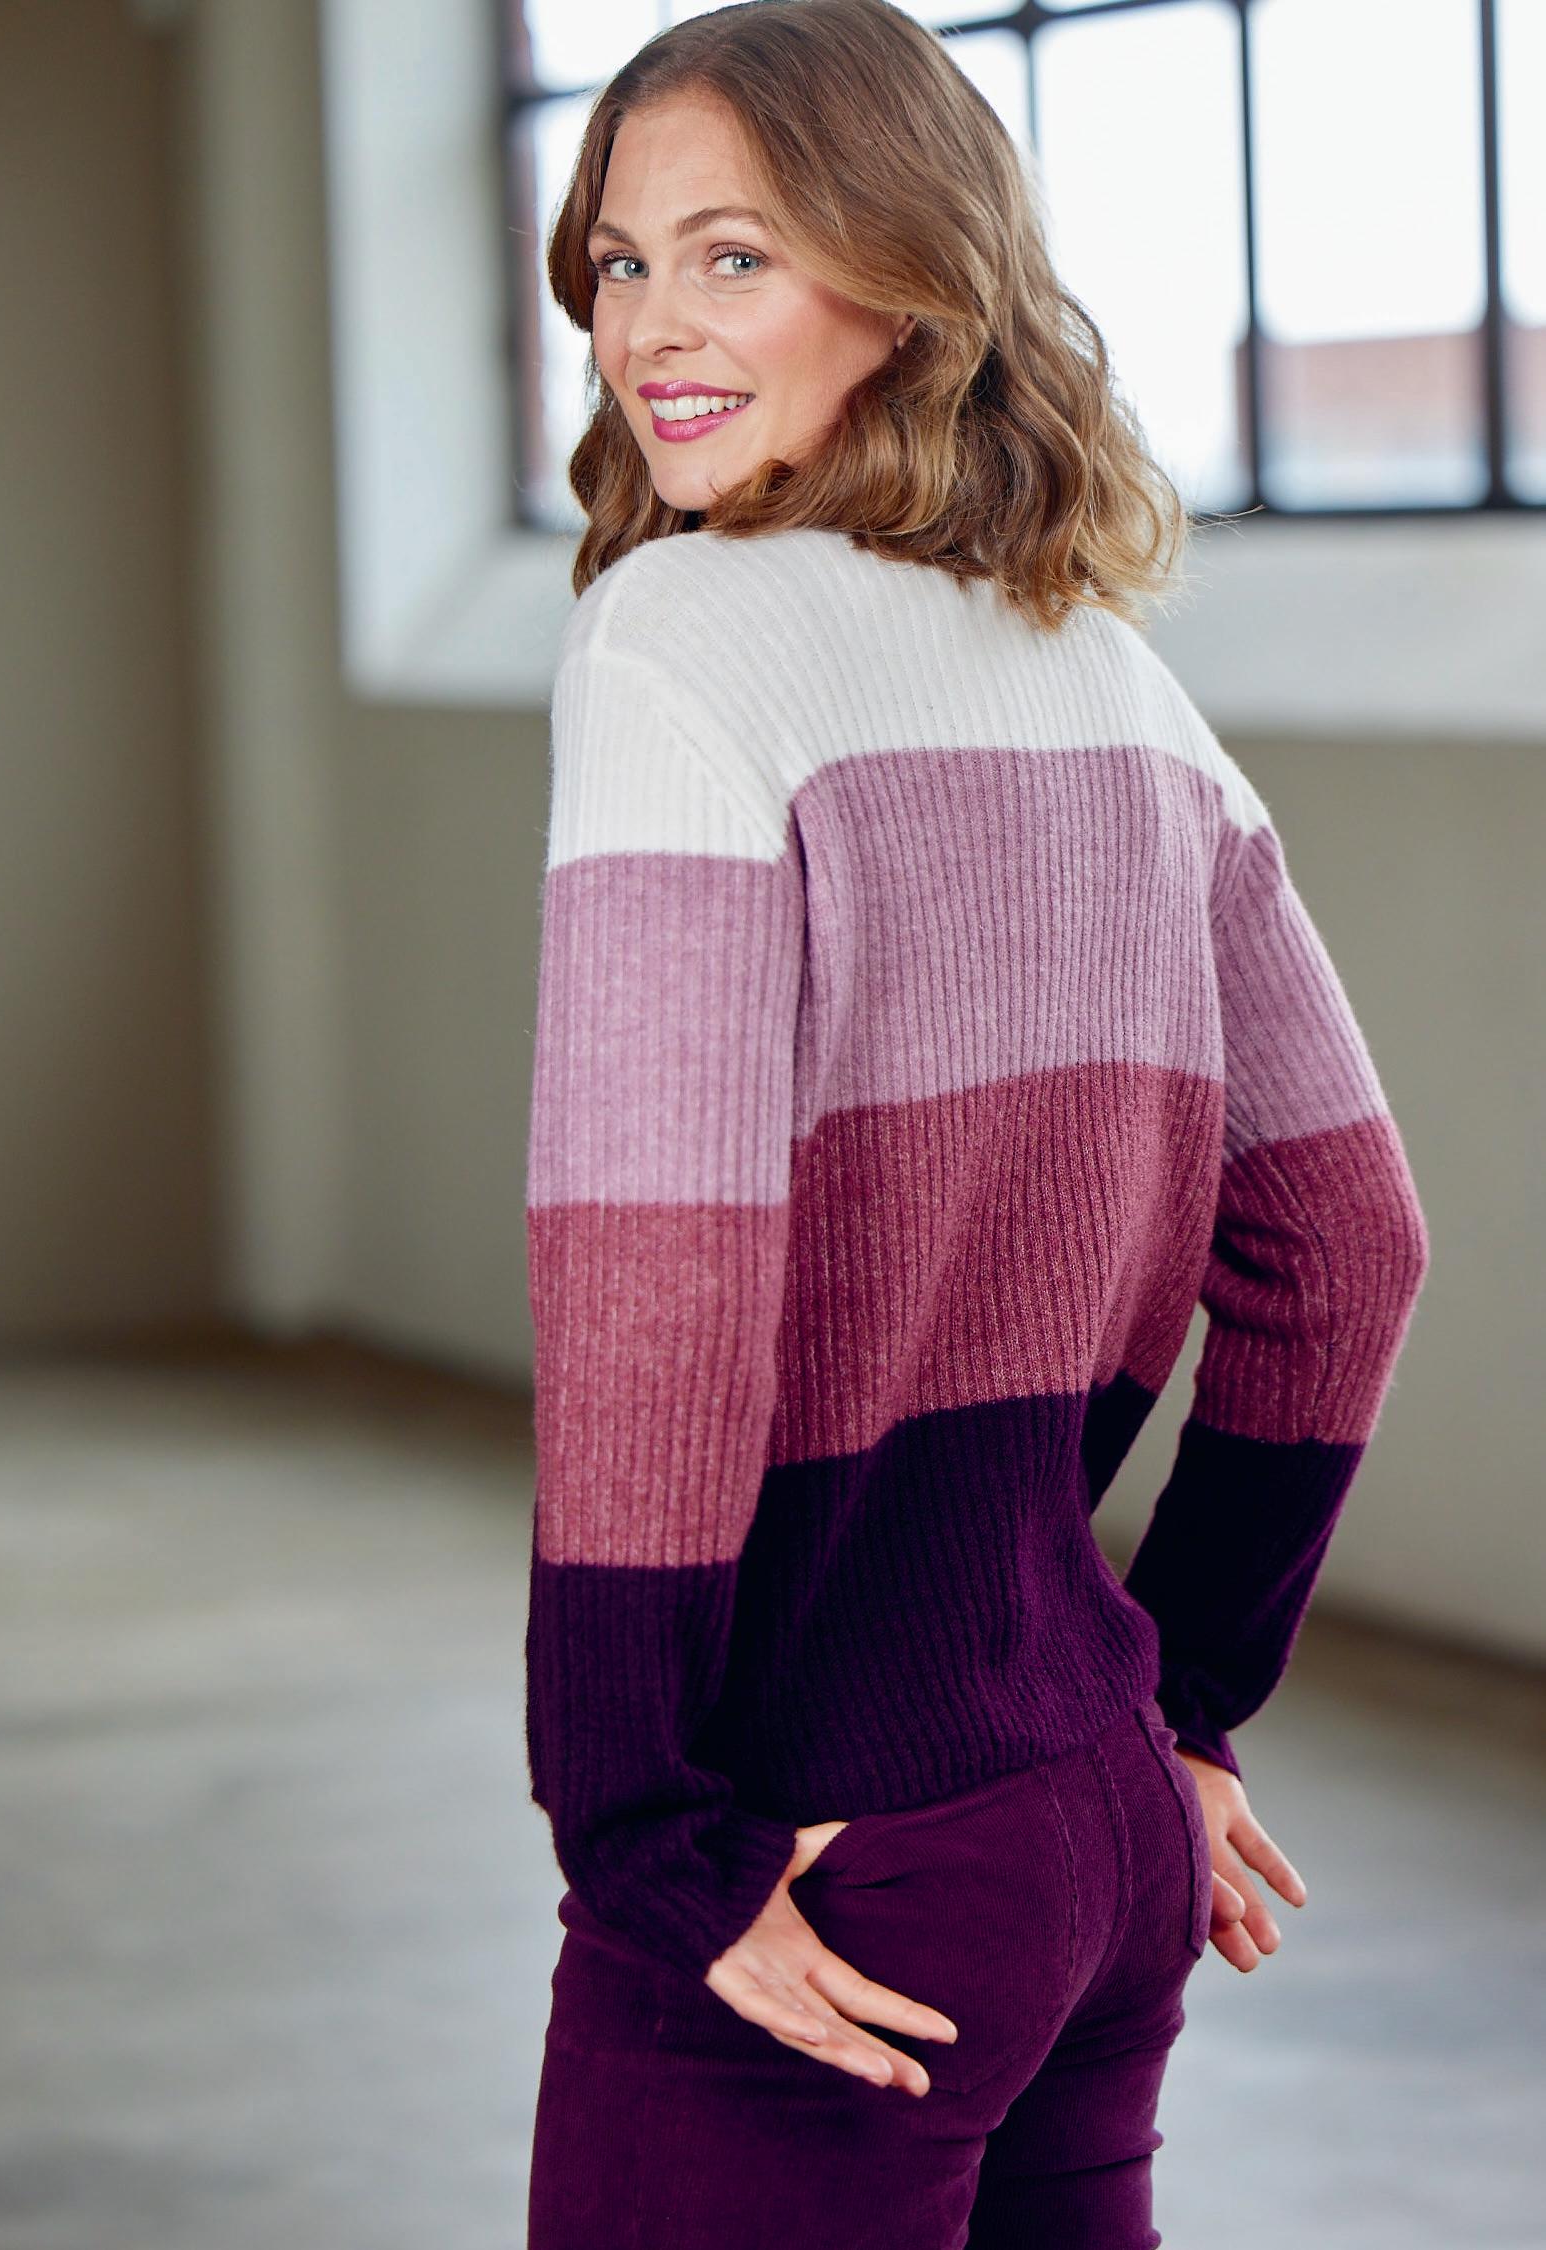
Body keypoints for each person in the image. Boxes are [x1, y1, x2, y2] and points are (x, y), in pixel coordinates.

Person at [519, 3, 1430, 2242]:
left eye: (735, 255)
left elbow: (657, 1274)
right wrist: (1182, 1696)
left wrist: (640, 1826)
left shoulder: (676, 638)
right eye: (621, 262)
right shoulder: (1110, 675)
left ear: (909, 280)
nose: (651, 327)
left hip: (831, 1838)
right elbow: (1350, 1242)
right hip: (1088, 1815)